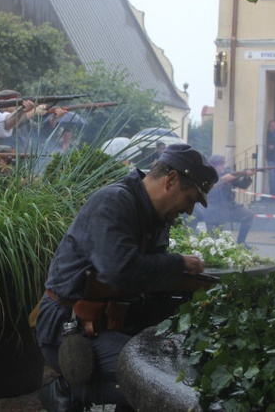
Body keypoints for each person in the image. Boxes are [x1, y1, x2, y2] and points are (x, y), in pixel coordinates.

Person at [35, 144, 218, 410]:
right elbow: (119, 272)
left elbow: (149, 278)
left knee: (170, 369)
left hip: (112, 324)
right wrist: (179, 264)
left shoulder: (157, 218)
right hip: (69, 325)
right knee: (154, 383)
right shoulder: (114, 202)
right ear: (171, 180)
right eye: (190, 198)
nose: (190, 210)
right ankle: (72, 390)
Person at [192, 154, 256, 248]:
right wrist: (223, 180)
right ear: (214, 165)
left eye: (223, 164)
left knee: (248, 215)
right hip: (213, 209)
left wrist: (247, 176)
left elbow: (242, 185)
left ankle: (241, 242)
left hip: (229, 206)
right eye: (221, 165)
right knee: (214, 242)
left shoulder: (227, 173)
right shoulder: (206, 175)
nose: (224, 166)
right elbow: (208, 192)